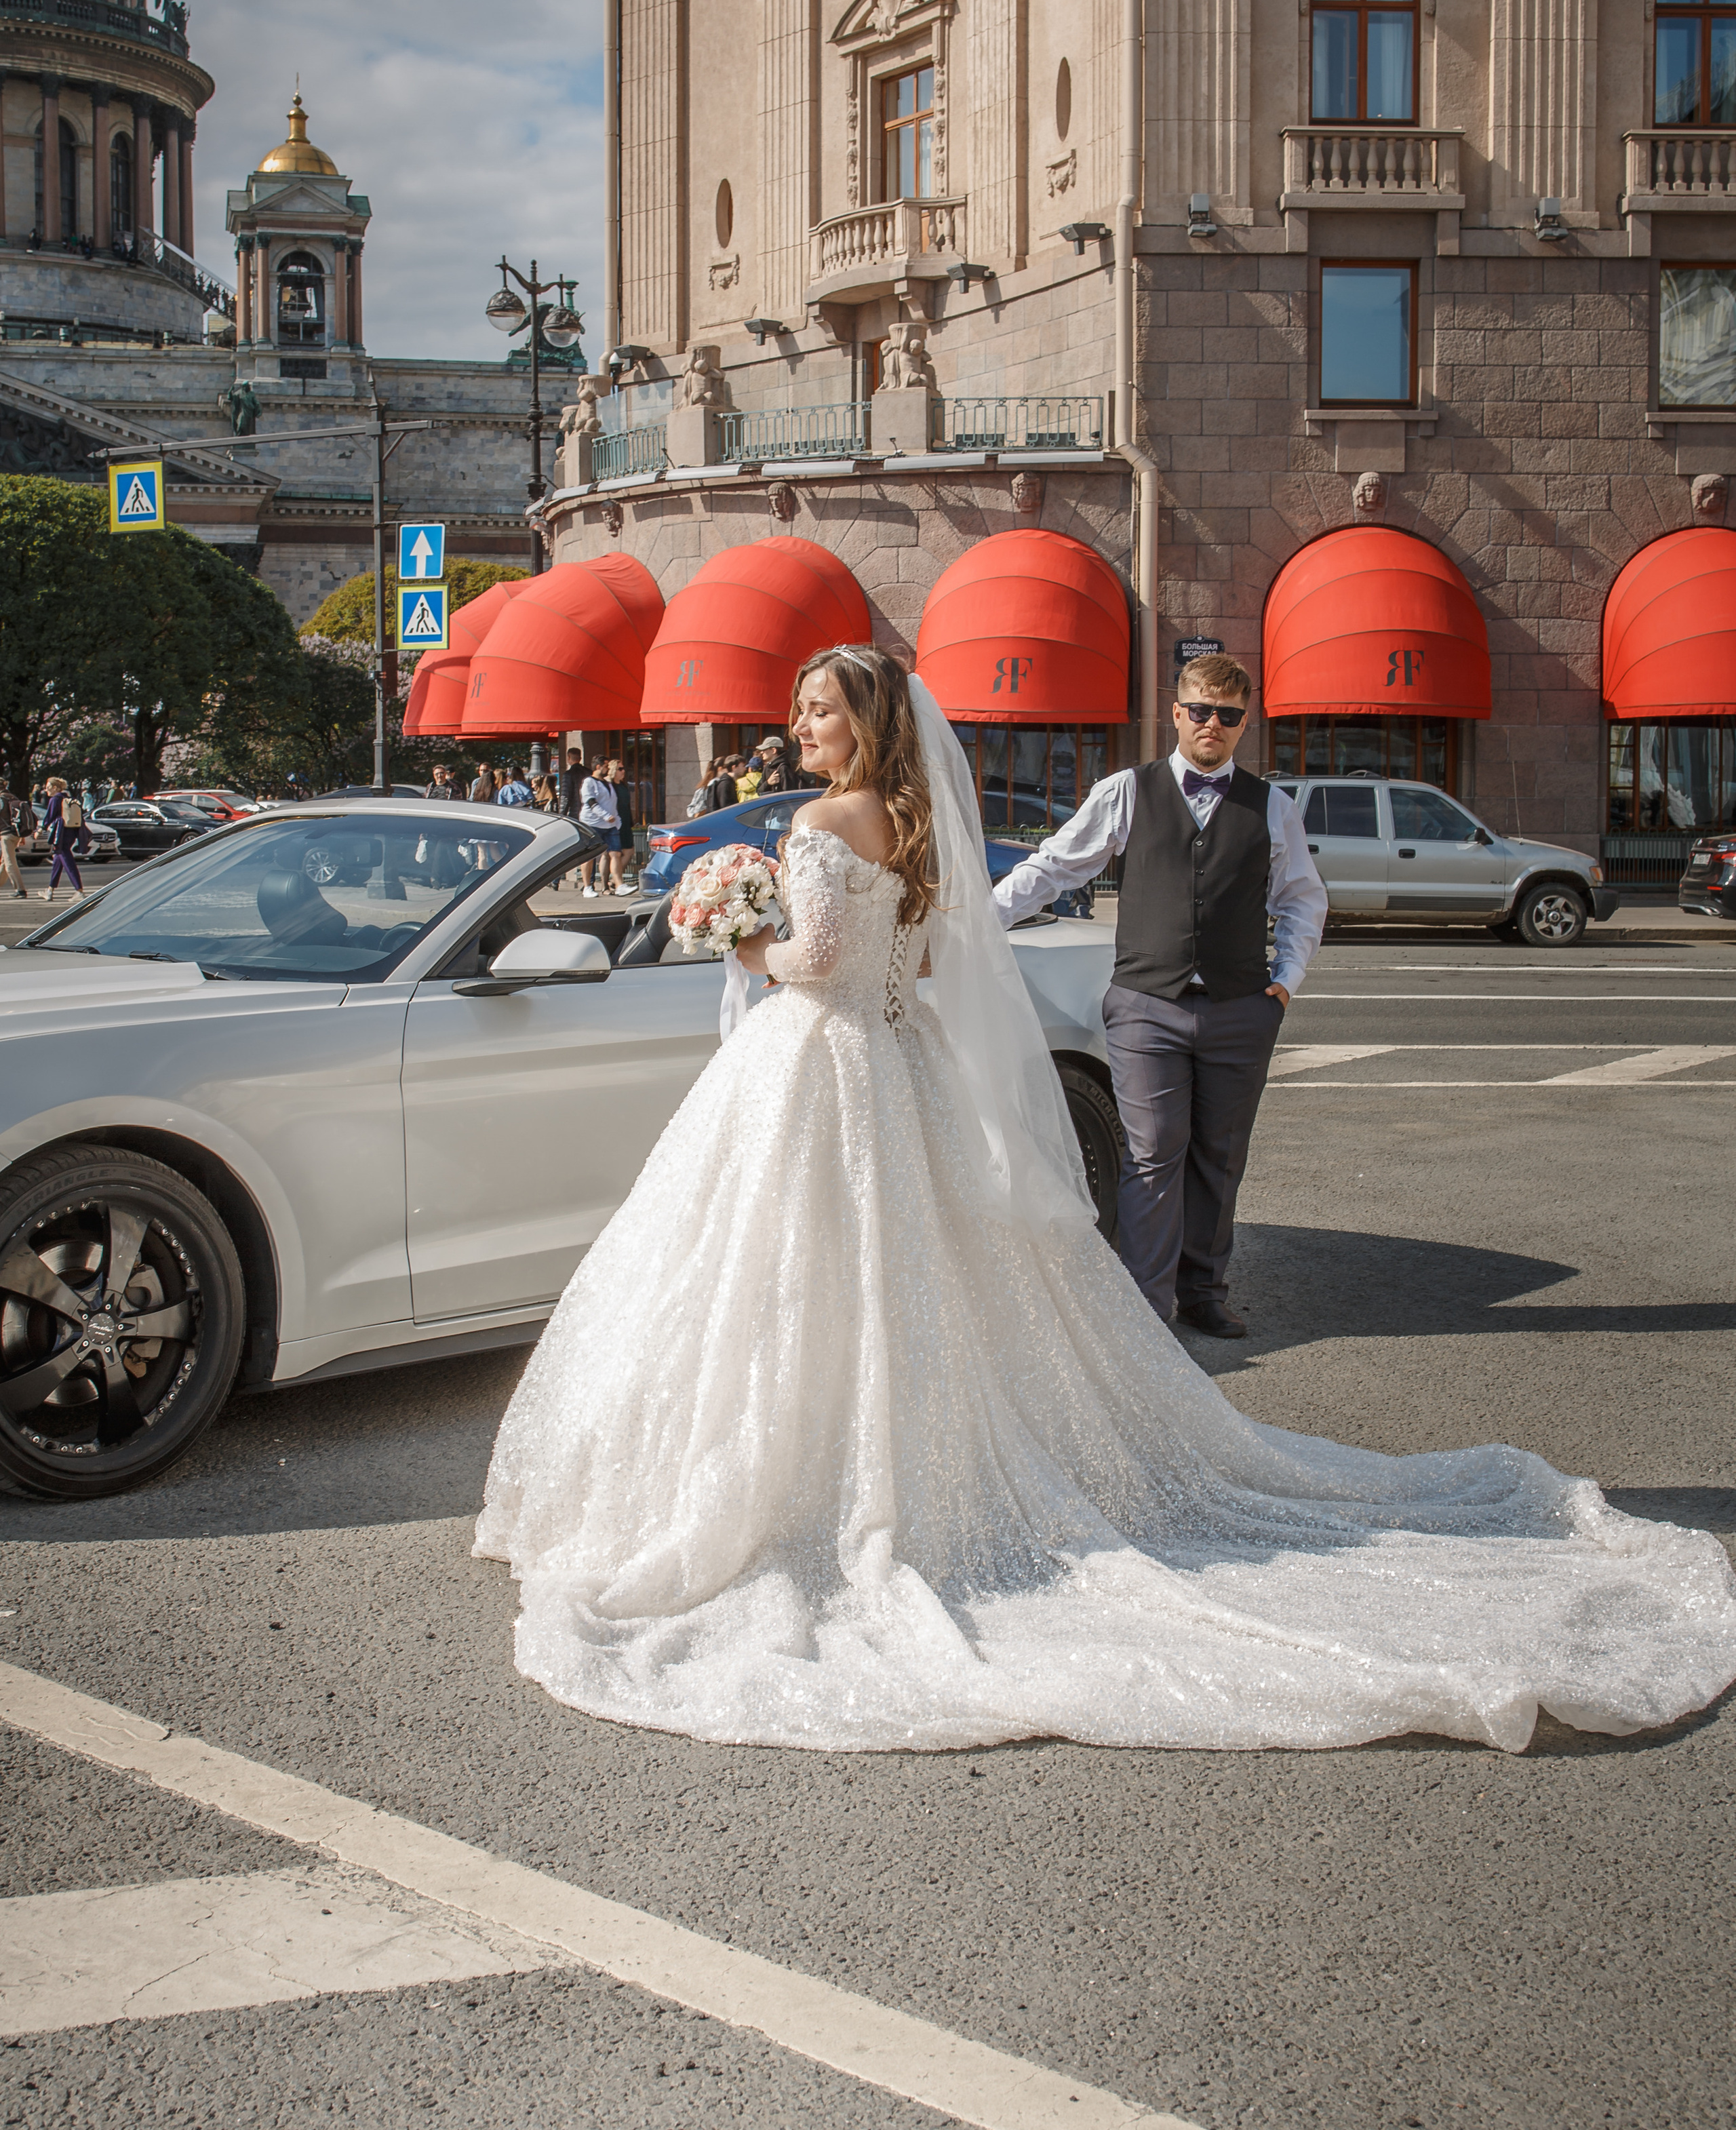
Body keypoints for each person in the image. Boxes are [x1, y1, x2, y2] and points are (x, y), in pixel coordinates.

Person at [473, 643, 1736, 1756]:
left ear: (862, 722)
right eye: (800, 711)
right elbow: (915, 956)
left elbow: (812, 964)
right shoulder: (907, 820)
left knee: (790, 1276)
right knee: (898, 1276)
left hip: (819, 1067)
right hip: (892, 1066)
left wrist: (731, 931)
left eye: (818, 711)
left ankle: (816, 1488)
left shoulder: (827, 822)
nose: (799, 727)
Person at [993, 653, 1326, 1342]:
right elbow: (1056, 864)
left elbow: (1302, 901)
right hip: (1146, 1005)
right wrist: (975, 921)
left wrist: (1283, 986)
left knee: (1219, 1155)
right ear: (1175, 713)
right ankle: (1146, 1305)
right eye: (1200, 710)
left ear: (1244, 723)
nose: (1212, 724)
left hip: (1239, 1008)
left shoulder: (1273, 807)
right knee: (1153, 1154)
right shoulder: (1127, 791)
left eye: (1228, 715)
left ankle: (1204, 1291)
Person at [578, 758, 619, 899]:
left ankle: (619, 884)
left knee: (615, 853)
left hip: (609, 824)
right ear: (598, 766)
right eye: (606, 766)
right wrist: (606, 816)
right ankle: (588, 886)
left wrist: (616, 821)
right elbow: (590, 801)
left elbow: (612, 803)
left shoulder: (607, 783)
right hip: (593, 822)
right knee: (590, 857)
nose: (608, 769)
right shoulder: (589, 782)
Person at [39, 777, 83, 901]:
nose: (46, 790)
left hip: (61, 833)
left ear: (55, 788)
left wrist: (41, 829)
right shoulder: (68, 798)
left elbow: (50, 816)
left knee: (68, 861)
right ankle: (50, 890)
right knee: (58, 860)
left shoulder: (55, 799)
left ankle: (79, 890)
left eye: (48, 787)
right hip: (71, 833)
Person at [606, 757, 634, 893]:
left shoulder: (623, 786)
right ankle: (616, 882)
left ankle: (614, 880)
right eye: (620, 769)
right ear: (613, 770)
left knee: (629, 851)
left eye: (623, 769)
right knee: (614, 853)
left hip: (625, 820)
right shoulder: (610, 785)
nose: (623, 771)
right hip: (615, 822)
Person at [0, 783, 25, 898]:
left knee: (10, 863)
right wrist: (22, 836)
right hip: (16, 833)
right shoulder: (13, 797)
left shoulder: (1, 799)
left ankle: (20, 890)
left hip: (6, 835)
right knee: (5, 861)